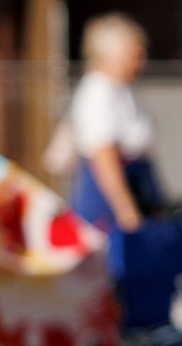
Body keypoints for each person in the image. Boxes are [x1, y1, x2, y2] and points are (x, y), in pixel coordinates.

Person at [65, 13, 160, 236]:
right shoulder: (99, 92)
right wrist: (125, 208)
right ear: (113, 55)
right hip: (108, 192)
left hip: (136, 181)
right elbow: (103, 155)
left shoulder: (123, 89)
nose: (142, 59)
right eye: (135, 52)